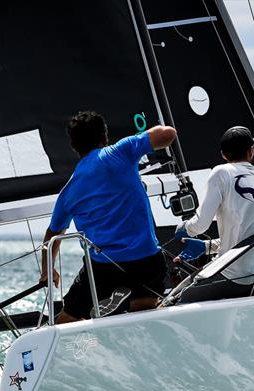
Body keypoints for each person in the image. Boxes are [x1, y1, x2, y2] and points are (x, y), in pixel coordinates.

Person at [40, 111, 176, 323]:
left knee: (68, 319)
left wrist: (47, 271)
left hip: (103, 268)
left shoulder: (69, 191)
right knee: (144, 310)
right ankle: (138, 306)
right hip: (146, 260)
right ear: (104, 137)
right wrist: (145, 135)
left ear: (74, 146)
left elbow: (52, 235)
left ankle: (85, 342)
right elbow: (168, 134)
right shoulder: (121, 151)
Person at [172, 126, 254, 302]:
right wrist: (206, 247)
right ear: (251, 151)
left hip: (230, 278)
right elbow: (248, 234)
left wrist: (184, 228)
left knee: (174, 300)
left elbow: (200, 225)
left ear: (224, 155)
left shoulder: (222, 172)